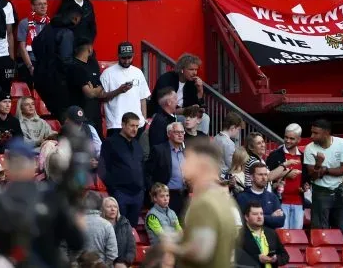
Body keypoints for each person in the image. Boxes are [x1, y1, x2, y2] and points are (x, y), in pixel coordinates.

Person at [158, 139, 239, 268]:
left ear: (201, 163)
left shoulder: (204, 203)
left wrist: (170, 247)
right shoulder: (227, 200)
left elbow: (200, 253)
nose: (183, 165)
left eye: (188, 158)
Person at [304, 119, 343, 233]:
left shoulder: (342, 143)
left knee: (342, 231)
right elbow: (313, 176)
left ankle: (340, 250)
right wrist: (319, 164)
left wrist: (325, 170)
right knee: (320, 232)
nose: (312, 136)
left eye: (316, 133)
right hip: (320, 191)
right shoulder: (309, 148)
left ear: (326, 133)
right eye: (312, 132)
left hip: (339, 190)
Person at [99, 112, 145, 223]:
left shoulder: (137, 145)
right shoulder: (110, 142)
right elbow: (102, 168)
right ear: (123, 125)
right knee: (119, 228)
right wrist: (114, 189)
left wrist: (143, 188)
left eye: (137, 126)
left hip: (137, 194)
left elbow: (142, 166)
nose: (135, 129)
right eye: (131, 125)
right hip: (120, 193)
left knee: (132, 229)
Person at [239, 201, 290, 268]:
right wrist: (257, 258)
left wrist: (276, 258)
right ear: (246, 217)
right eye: (255, 214)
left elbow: (285, 256)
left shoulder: (271, 233)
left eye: (261, 213)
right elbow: (235, 259)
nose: (259, 217)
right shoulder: (240, 235)